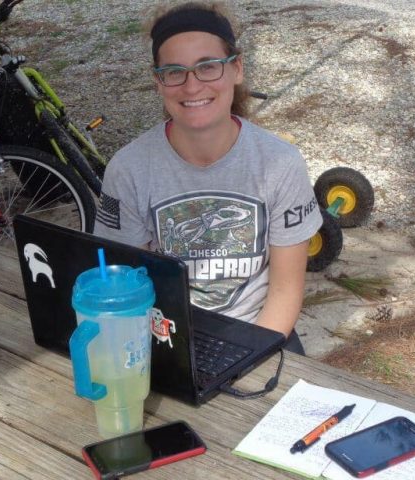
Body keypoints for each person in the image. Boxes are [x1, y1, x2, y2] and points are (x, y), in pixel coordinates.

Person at [94, 2, 322, 354]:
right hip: (167, 337)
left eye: (208, 67)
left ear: (237, 69)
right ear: (158, 81)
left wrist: (244, 357)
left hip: (262, 333)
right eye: (174, 72)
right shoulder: (128, 169)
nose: (191, 86)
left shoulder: (280, 163)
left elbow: (285, 291)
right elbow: (130, 285)